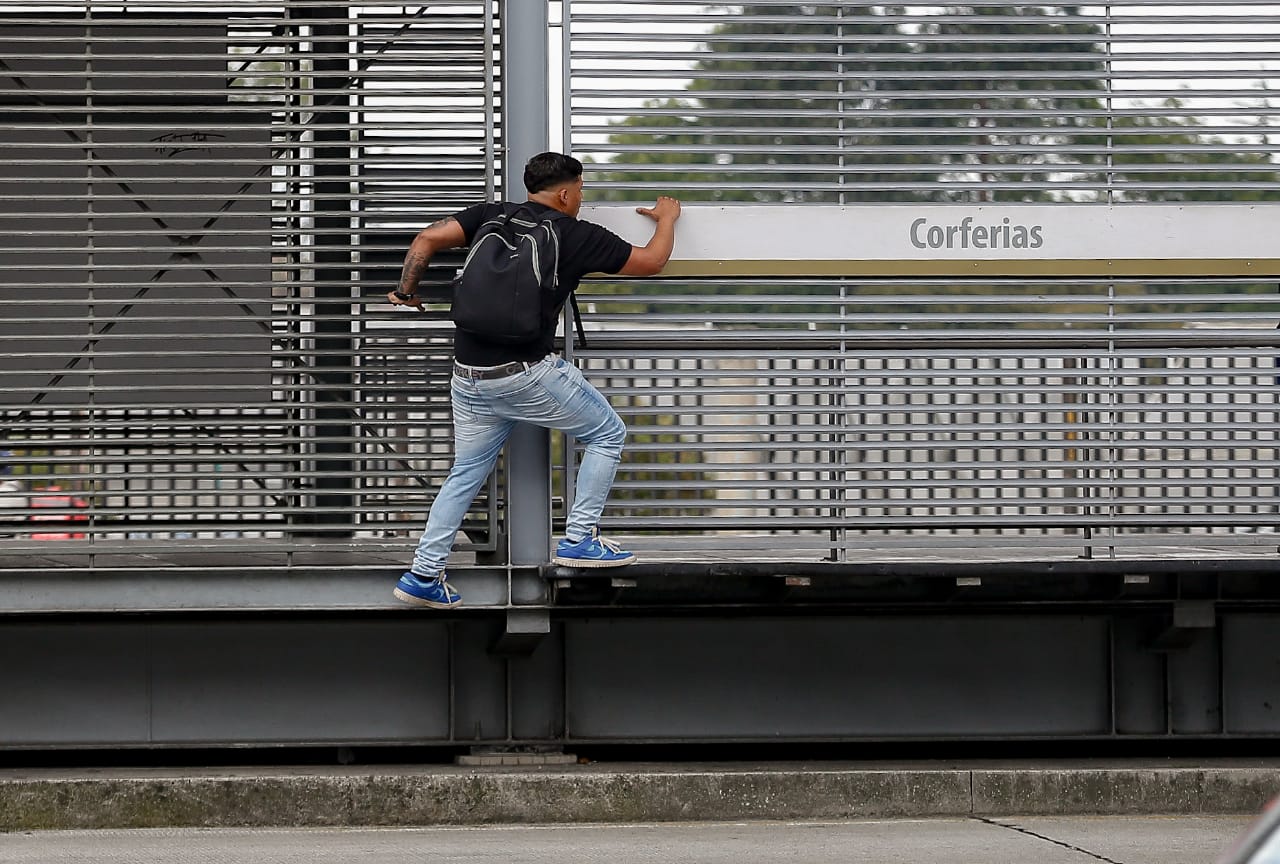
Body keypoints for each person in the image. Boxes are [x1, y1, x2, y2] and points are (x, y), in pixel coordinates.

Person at [387, 152, 681, 609]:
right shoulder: (575, 234)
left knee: (465, 473)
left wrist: (406, 292)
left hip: (467, 375)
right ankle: (580, 538)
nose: (580, 199)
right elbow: (652, 261)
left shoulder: (490, 215)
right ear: (564, 194)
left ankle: (423, 574)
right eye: (580, 191)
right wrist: (667, 218)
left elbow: (427, 238)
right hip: (523, 374)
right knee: (607, 433)